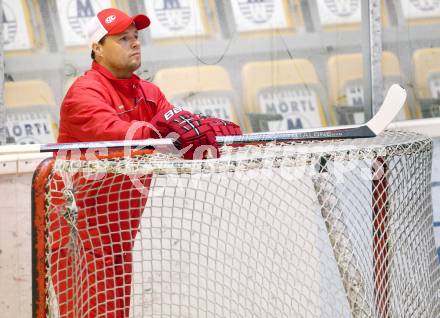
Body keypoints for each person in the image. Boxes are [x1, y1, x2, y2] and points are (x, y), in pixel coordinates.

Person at [51, 7, 242, 317]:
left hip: (120, 234)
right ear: (97, 47)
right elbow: (125, 135)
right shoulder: (83, 94)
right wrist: (168, 133)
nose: (135, 43)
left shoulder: (148, 93)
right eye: (123, 38)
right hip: (78, 234)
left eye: (136, 37)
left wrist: (208, 136)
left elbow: (178, 133)